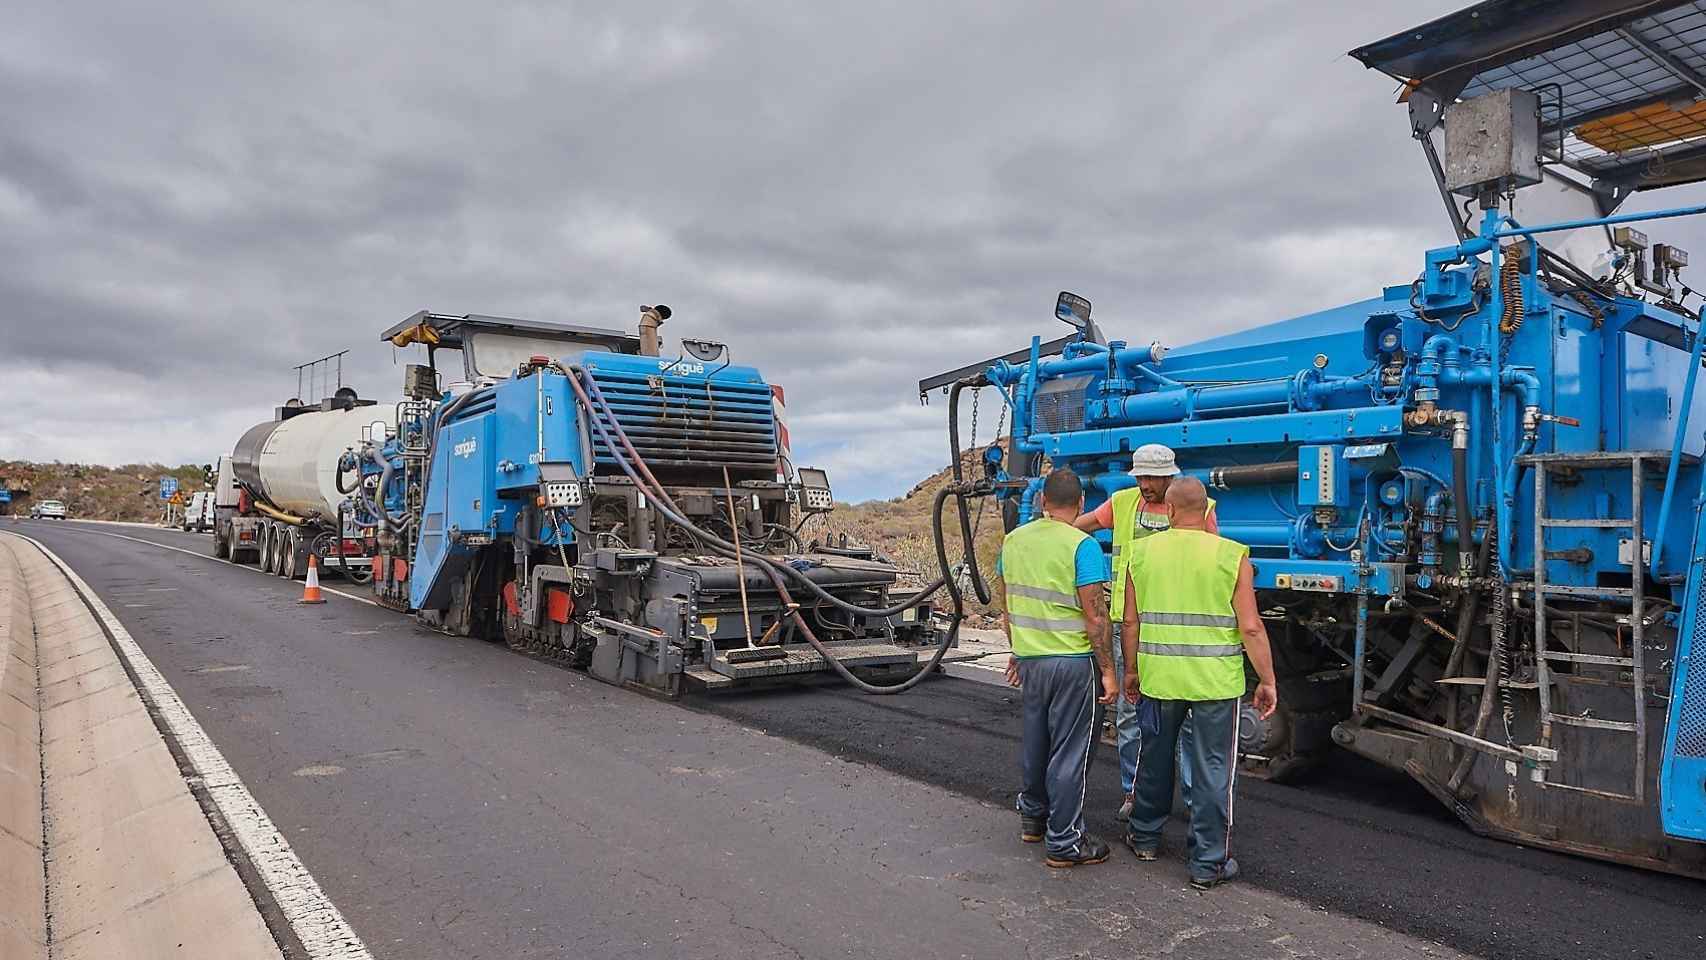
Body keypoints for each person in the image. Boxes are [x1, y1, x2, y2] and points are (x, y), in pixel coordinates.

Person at [1119, 476, 1277, 889]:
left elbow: (1130, 621)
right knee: (1212, 769)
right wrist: (1267, 680)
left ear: (1168, 512)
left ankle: (1145, 838)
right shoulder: (1231, 555)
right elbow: (1251, 627)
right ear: (1207, 511)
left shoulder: (1140, 553)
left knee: (1152, 760)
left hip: (1158, 679)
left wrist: (1131, 671)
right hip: (1215, 685)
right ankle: (1207, 863)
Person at [1074, 444, 1219, 819]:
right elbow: (1082, 526)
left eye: (1152, 477)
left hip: (1177, 625)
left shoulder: (1198, 507)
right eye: (1140, 477)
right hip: (1129, 624)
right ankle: (1133, 792)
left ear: (1171, 476)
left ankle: (1190, 797)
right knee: (1130, 713)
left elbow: (1211, 558)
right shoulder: (1122, 502)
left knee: (1186, 717)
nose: (1145, 484)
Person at [1000, 468, 1117, 867]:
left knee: (1036, 743)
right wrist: (1109, 671)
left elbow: (1008, 605)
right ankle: (1065, 842)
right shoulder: (1082, 546)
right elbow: (1096, 616)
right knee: (1070, 753)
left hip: (1031, 661)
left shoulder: (1013, 542)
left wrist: (1018, 650)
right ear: (1081, 504)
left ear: (1044, 503)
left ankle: (1033, 820)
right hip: (1071, 664)